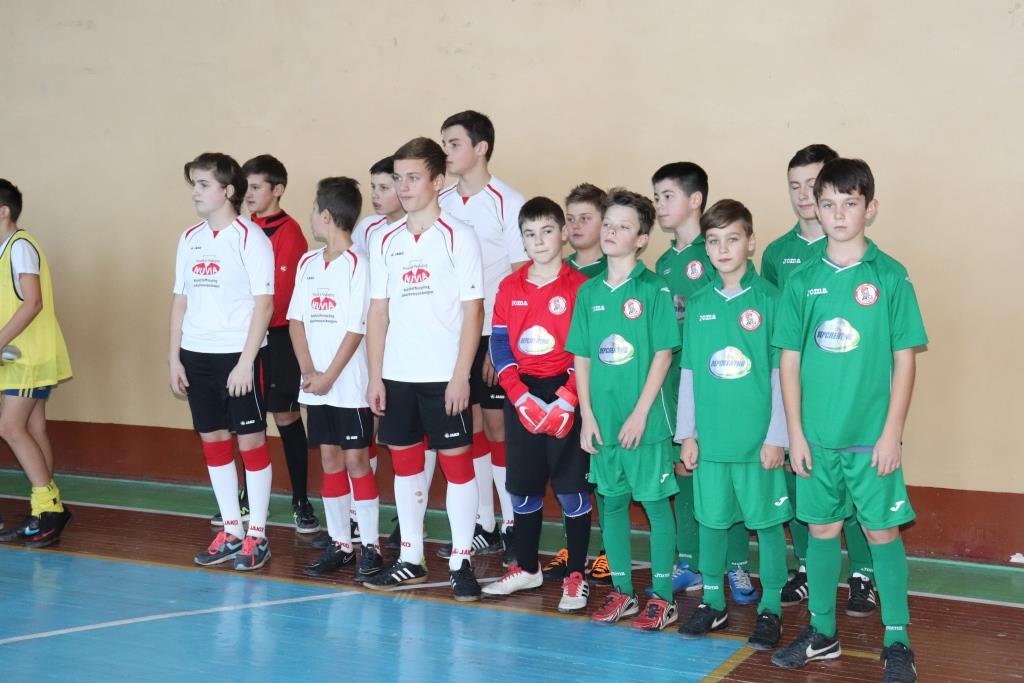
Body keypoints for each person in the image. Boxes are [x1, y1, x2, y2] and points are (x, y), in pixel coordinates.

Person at [771, 159, 927, 683]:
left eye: (850, 203)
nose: (838, 214)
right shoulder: (801, 280)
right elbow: (788, 362)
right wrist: (794, 433)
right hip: (816, 439)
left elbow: (905, 359)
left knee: (881, 532)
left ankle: (897, 640)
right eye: (829, 204)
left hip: (870, 439)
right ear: (816, 208)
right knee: (821, 529)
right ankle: (822, 632)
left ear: (870, 208)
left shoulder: (890, 276)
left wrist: (891, 434)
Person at [363, 137, 485, 601]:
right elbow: (378, 312)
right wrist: (375, 376)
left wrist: (460, 375)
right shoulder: (384, 240)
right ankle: (410, 556)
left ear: (437, 180)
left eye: (413, 177)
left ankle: (460, 560)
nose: (404, 186)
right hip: (398, 376)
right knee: (406, 465)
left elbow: (474, 311)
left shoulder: (459, 236)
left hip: (444, 377)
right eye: (399, 178)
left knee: (457, 465)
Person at [762, 144, 877, 615]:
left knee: (856, 491)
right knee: (802, 483)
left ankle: (863, 574)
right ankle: (809, 567)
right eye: (795, 186)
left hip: (848, 398)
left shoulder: (858, 256)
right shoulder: (778, 254)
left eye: (813, 185)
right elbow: (779, 336)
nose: (803, 194)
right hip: (800, 396)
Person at [674, 199, 791, 651]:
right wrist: (687, 433)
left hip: (758, 442)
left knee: (768, 524)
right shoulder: (699, 304)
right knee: (711, 522)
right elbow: (689, 373)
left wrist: (777, 436)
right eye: (713, 241)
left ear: (751, 242)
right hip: (711, 442)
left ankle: (772, 608)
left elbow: (782, 374)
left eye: (732, 239)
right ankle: (712, 602)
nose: (722, 249)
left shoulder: (771, 300)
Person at [566, 188, 679, 630]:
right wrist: (587, 416)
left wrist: (640, 413)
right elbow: (582, 356)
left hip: (643, 423)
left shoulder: (653, 289)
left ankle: (664, 598)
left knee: (654, 505)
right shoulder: (589, 292)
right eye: (608, 224)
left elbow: (663, 355)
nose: (612, 232)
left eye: (624, 226)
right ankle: (623, 591)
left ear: (642, 239)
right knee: (611, 504)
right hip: (603, 422)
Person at [652, 162, 757, 603]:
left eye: (667, 196)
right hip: (675, 381)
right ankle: (690, 561)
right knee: (685, 469)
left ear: (695, 200)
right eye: (655, 197)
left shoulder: (715, 254)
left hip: (718, 382)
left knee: (725, 473)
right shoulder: (662, 263)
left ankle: (736, 564)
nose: (659, 205)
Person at [481, 197, 592, 614]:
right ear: (522, 240)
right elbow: (499, 343)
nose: (539, 241)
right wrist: (518, 393)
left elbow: (587, 350)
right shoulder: (509, 287)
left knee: (572, 489)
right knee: (523, 488)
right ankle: (527, 567)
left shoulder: (582, 287)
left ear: (563, 233)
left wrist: (569, 397)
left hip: (567, 390)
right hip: (523, 393)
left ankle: (576, 574)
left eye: (547, 231)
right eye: (530, 234)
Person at [171, 153, 275, 571]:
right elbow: (180, 300)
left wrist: (246, 362)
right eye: (193, 184)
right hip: (196, 355)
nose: (195, 192)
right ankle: (232, 529)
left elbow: (264, 304)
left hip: (238, 356)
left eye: (203, 184)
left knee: (251, 442)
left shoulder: (251, 238)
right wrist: (174, 358)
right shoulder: (189, 238)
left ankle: (258, 534)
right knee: (213, 439)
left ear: (228, 191)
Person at [438, 111, 528, 565]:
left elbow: (520, 277)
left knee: (496, 427)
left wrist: (502, 341)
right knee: (466, 425)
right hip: (453, 338)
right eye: (444, 144)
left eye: (454, 143)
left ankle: (513, 524)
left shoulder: (507, 202)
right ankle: (484, 524)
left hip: (494, 331)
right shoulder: (441, 202)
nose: (446, 152)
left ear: (481, 147)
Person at [288, 176, 384, 581]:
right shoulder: (307, 263)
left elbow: (356, 329)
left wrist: (329, 376)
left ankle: (371, 547)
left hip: (349, 384)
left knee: (356, 460)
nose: (311, 215)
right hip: (316, 385)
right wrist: (309, 371)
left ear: (326, 215)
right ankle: (341, 543)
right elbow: (296, 320)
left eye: (314, 209)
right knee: (329, 458)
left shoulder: (360, 265)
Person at [236, 154, 319, 534]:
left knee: (286, 417)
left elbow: (281, 294)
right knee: (245, 421)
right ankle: (248, 498)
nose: (249, 194)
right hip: (245, 338)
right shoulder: (240, 229)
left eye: (256, 187)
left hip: (280, 337)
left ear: (278, 189)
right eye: (246, 187)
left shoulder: (290, 232)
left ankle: (301, 500)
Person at [543, 182, 612, 585]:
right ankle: (575, 546)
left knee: (602, 472)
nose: (576, 226)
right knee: (569, 473)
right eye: (570, 219)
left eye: (586, 218)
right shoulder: (556, 269)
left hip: (601, 387)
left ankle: (608, 548)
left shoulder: (612, 270)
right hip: (561, 390)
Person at [0, 178, 73, 548]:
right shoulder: (6, 250)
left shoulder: (20, 247)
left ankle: (50, 508)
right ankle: (44, 508)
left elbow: (33, 302)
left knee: (10, 427)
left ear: (3, 212)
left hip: (29, 355)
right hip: (22, 356)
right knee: (33, 426)